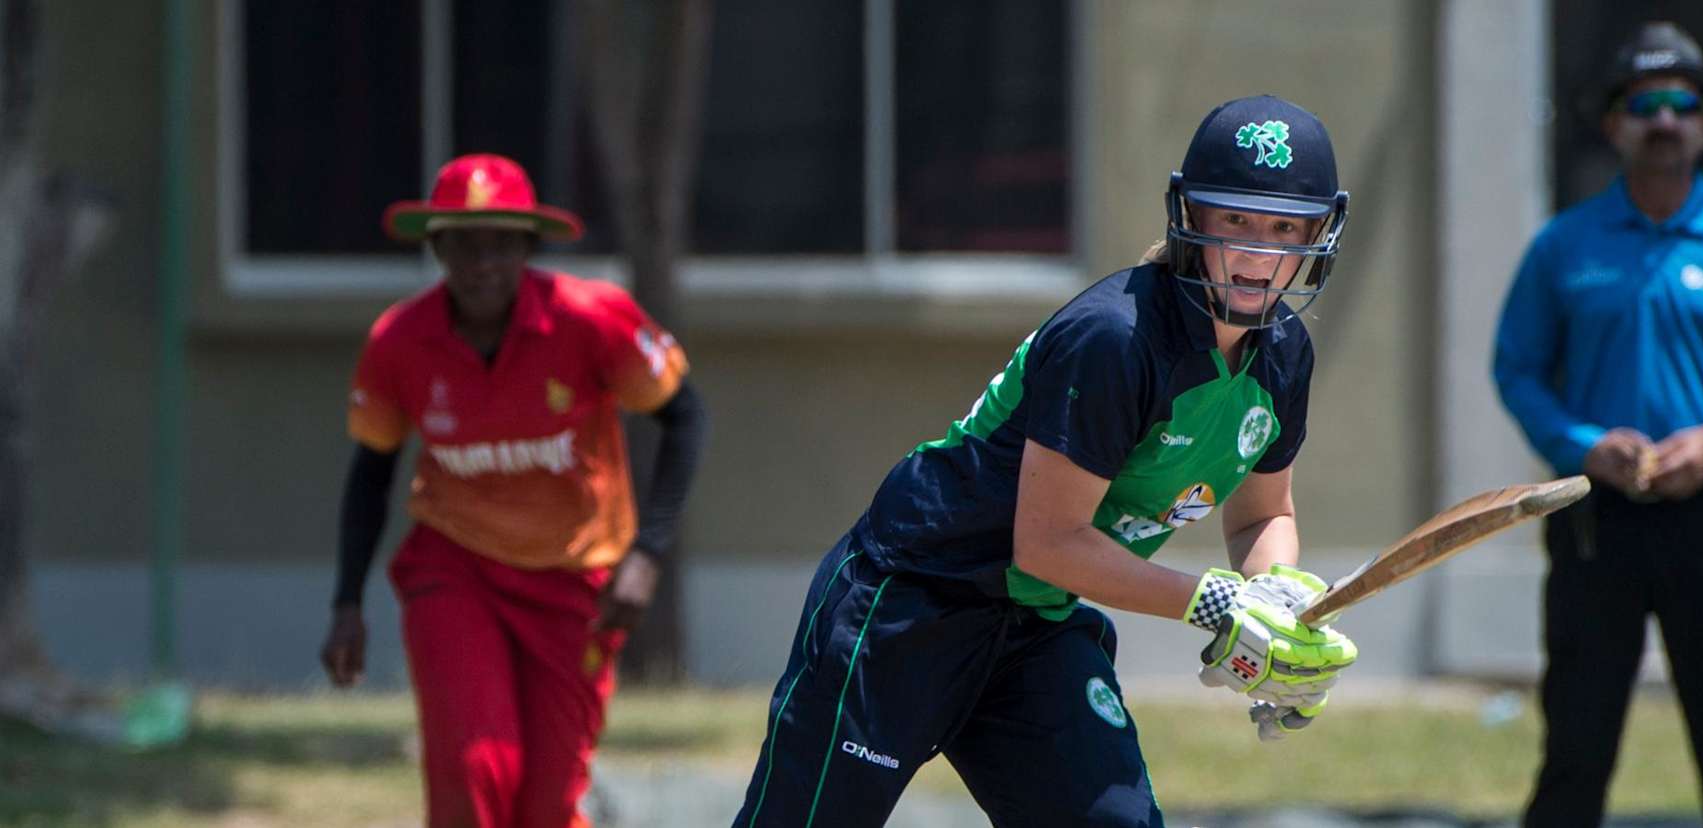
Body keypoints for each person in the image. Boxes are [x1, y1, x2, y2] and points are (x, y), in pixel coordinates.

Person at [733, 95, 1359, 827]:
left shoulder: (1284, 354)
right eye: (1235, 221)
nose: (1259, 254)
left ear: (1321, 231)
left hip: (1034, 625)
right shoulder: (1114, 339)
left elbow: (1263, 513)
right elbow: (1049, 541)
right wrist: (1217, 606)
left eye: (1285, 228)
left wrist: (1279, 605)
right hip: (910, 603)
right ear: (1190, 217)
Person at [1492, 22, 1703, 828]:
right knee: (1575, 747)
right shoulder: (1564, 246)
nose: (1666, 119)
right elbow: (1517, 371)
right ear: (1615, 125)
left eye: (1684, 103)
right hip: (1595, 524)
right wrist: (1581, 445)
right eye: (1646, 103)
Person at [318, 153, 709, 828]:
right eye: (463, 243)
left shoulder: (592, 319)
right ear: (437, 248)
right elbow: (372, 472)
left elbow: (686, 416)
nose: (482, 263)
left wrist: (646, 553)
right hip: (455, 566)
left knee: (547, 804)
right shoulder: (398, 342)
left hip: (575, 583)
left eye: (500, 242)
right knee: (472, 771)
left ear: (528, 247)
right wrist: (347, 600)